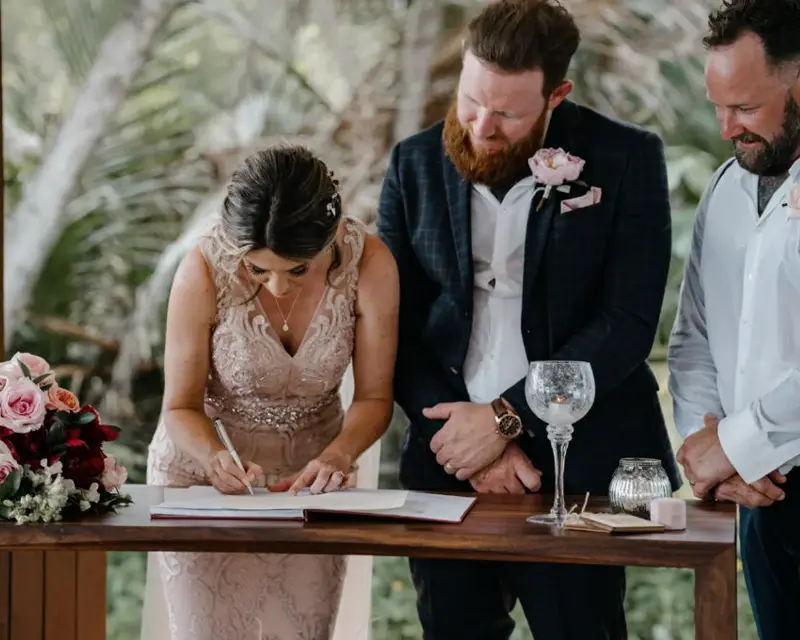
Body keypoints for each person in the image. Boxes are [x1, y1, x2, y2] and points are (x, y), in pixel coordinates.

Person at [376, 1, 680, 638]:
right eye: (470, 101)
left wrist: (506, 417)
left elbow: (625, 322)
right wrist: (466, 442)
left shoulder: (625, 160)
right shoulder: (412, 165)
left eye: (508, 113)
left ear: (557, 95)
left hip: (583, 459)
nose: (482, 126)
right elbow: (391, 326)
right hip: (448, 457)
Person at [143, 144, 399, 640]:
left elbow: (374, 398)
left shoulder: (370, 264)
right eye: (258, 270)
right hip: (207, 474)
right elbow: (179, 405)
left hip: (313, 476)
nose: (278, 287)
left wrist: (339, 455)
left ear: (329, 237)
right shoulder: (202, 270)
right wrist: (214, 457)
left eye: (298, 269)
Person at [667, 1, 800, 638]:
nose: (725, 128)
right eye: (719, 106)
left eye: (745, 109)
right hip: (761, 499)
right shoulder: (726, 185)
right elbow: (695, 333)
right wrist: (707, 446)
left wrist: (738, 447)